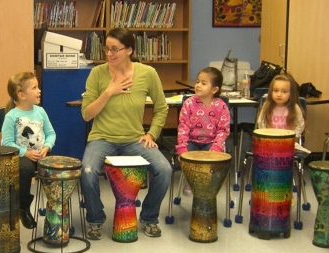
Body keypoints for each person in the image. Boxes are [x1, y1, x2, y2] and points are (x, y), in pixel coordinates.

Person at [80, 27, 172, 240]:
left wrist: (152, 134)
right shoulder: (97, 73)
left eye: (115, 49)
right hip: (101, 137)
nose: (110, 54)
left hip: (134, 138)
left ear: (129, 50)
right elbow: (86, 114)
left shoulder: (147, 73)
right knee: (87, 171)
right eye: (107, 49)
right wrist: (108, 92)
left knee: (164, 170)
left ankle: (149, 217)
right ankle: (95, 219)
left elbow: (161, 107)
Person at [1, 71, 56, 229]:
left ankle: (56, 208)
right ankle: (24, 207)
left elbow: (51, 134)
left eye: (38, 87)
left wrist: (47, 147)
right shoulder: (12, 116)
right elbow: (8, 143)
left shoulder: (41, 111)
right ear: (21, 95)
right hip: (23, 156)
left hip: (42, 153)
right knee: (24, 169)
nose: (39, 90)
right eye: (34, 88)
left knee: (57, 168)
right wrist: (26, 153)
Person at [175, 67, 230, 196]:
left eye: (203, 83)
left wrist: (217, 146)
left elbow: (223, 130)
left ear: (214, 89)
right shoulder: (189, 103)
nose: (198, 85)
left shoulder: (221, 106)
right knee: (189, 157)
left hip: (211, 142)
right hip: (191, 141)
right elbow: (183, 127)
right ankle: (190, 181)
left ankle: (209, 184)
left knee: (213, 160)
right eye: (198, 82)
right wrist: (182, 146)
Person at [254, 73, 309, 155]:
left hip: (287, 144)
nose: (279, 94)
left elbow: (300, 125)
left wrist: (291, 137)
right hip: (269, 143)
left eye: (284, 91)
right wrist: (267, 137)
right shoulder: (267, 106)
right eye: (275, 90)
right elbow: (261, 122)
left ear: (291, 93)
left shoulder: (295, 108)